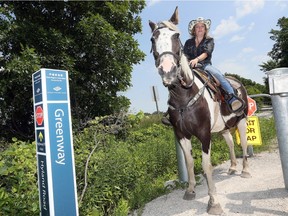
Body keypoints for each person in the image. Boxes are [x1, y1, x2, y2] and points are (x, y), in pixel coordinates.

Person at [184, 17, 242, 111]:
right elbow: (184, 55)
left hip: (204, 65)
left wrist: (196, 60)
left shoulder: (209, 40)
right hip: (190, 67)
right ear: (194, 30)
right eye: (197, 27)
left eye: (202, 26)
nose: (200, 28)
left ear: (205, 29)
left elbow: (207, 53)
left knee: (218, 75)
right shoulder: (188, 42)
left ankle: (233, 99)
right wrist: (187, 62)